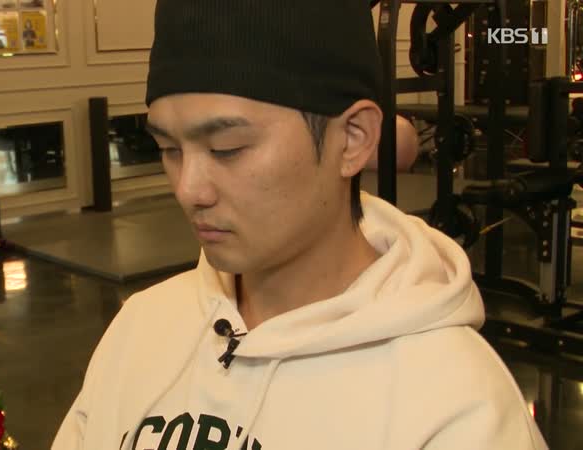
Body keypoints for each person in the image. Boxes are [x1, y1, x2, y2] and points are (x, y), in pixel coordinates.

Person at [52, 1, 548, 449]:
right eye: (169, 149)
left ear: (352, 138)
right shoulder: (140, 328)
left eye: (227, 149)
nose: (188, 189)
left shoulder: (457, 410)